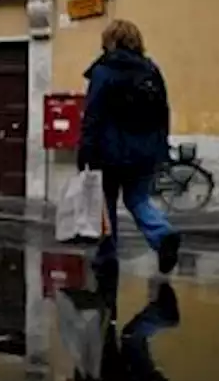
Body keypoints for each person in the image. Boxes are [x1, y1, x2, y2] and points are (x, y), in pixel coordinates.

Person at [77, 20, 182, 273]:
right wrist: (161, 147)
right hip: (145, 151)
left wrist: (85, 151)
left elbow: (93, 114)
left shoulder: (104, 71)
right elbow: (162, 111)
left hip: (109, 152)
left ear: (109, 41)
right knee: (138, 199)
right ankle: (163, 234)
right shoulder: (151, 70)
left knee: (106, 203)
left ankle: (107, 255)